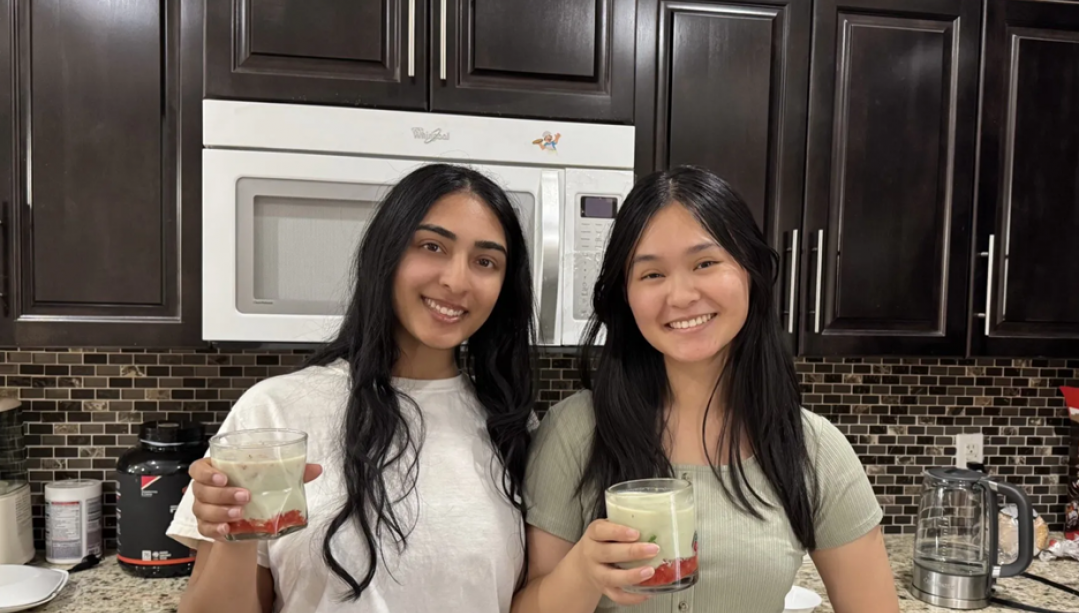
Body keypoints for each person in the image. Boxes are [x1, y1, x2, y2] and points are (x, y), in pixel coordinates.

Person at [513, 167, 900, 613]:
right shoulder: (574, 432)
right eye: (652, 274)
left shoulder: (813, 449)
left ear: (750, 272)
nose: (680, 296)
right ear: (627, 296)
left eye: (705, 263)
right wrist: (581, 571)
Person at [167, 163, 537, 613]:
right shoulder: (274, 413)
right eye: (432, 246)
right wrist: (232, 532)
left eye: (485, 261)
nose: (457, 281)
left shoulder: (513, 426)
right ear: (386, 254)